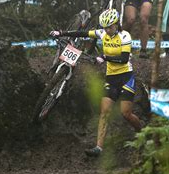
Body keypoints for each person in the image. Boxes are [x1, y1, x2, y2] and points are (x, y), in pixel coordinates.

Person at [50, 9, 142, 157]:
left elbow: (124, 59)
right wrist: (61, 33)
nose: (107, 30)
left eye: (110, 27)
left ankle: (142, 133)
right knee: (104, 112)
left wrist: (105, 57)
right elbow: (83, 33)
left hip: (126, 77)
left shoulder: (125, 36)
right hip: (111, 78)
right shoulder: (103, 33)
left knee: (126, 114)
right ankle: (99, 147)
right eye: (105, 27)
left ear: (116, 24)